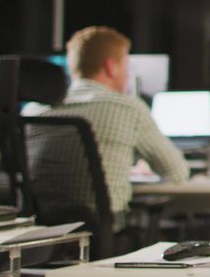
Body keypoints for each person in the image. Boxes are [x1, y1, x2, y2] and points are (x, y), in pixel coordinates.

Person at [30, 26, 189, 232]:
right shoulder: (126, 107)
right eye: (126, 66)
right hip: (99, 237)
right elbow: (176, 172)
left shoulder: (34, 109)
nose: (128, 74)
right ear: (111, 67)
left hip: (37, 240)